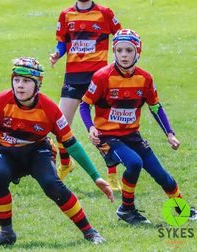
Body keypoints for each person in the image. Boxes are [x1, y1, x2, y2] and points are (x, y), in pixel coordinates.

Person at [0, 57, 114, 246]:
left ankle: (89, 232)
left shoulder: (50, 109)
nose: (20, 85)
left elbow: (72, 144)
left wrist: (96, 177)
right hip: (5, 151)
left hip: (37, 151)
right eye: (16, 80)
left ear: (38, 85)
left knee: (53, 184)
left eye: (26, 81)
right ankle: (6, 234)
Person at [80, 29, 197, 224]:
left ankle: (182, 208)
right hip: (107, 137)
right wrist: (90, 127)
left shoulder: (145, 79)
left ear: (138, 52)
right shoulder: (102, 76)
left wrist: (169, 133)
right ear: (114, 52)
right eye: (119, 50)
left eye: (129, 50)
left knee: (161, 174)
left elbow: (155, 107)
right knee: (134, 163)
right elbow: (85, 105)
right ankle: (127, 209)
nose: (124, 55)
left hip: (132, 135)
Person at [49, 0, 122, 190]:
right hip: (73, 78)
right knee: (60, 124)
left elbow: (121, 36)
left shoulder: (105, 13)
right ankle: (66, 163)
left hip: (98, 78)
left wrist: (118, 60)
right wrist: (57, 54)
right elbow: (62, 43)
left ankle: (112, 176)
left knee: (103, 128)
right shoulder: (66, 15)